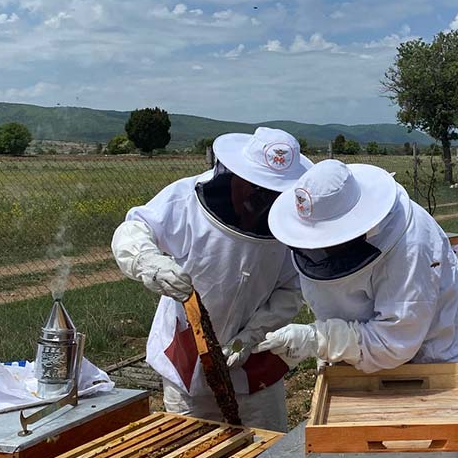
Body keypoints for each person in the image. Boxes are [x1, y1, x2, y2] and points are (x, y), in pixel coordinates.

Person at [111, 128, 311, 431]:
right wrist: (148, 262)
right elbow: (134, 229)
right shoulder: (184, 200)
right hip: (186, 355)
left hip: (258, 361)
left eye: (274, 191)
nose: (263, 199)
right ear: (236, 174)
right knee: (191, 455)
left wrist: (253, 334)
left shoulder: (292, 223)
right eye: (257, 187)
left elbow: (292, 289)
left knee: (264, 453)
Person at [254, 159, 458, 371]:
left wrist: (321, 339)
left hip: (440, 360)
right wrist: (331, 345)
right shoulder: (314, 248)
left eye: (325, 240)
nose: (318, 251)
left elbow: (396, 340)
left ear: (356, 224)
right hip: (367, 358)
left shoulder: (410, 244)